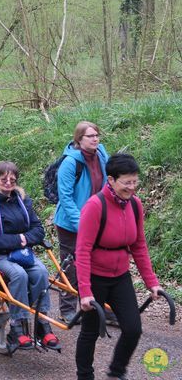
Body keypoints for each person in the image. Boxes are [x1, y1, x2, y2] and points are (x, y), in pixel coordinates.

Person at [75, 153, 162, 380]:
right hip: (95, 276)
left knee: (133, 329)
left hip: (120, 276)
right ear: (111, 180)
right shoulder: (95, 206)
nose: (132, 187)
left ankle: (116, 372)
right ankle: (85, 376)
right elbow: (82, 251)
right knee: (90, 332)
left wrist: (151, 282)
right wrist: (85, 292)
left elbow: (139, 246)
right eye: (127, 182)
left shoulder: (134, 205)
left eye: (135, 181)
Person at [0, 161, 59, 352]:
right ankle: (17, 326)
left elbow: (38, 229)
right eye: (4, 179)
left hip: (22, 252)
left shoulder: (22, 200)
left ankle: (42, 322)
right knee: (19, 275)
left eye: (12, 179)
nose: (9, 183)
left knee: (42, 272)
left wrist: (25, 239)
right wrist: (17, 240)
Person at [54, 121, 110, 324]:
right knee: (71, 266)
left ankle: (100, 305)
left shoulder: (102, 155)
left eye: (97, 135)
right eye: (90, 136)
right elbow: (66, 198)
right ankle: (67, 309)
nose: (95, 139)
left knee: (98, 264)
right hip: (70, 223)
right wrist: (82, 224)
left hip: (96, 220)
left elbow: (109, 183)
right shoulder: (70, 162)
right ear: (79, 139)